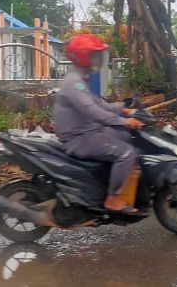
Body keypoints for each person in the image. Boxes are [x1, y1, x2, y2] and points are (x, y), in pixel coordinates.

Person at [53, 33, 146, 217]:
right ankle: (113, 199)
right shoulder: (74, 83)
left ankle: (114, 183)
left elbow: (100, 104)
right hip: (79, 138)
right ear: (82, 57)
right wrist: (123, 121)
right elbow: (94, 112)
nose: (99, 59)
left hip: (90, 131)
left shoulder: (81, 79)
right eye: (94, 55)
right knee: (126, 153)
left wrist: (123, 109)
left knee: (127, 137)